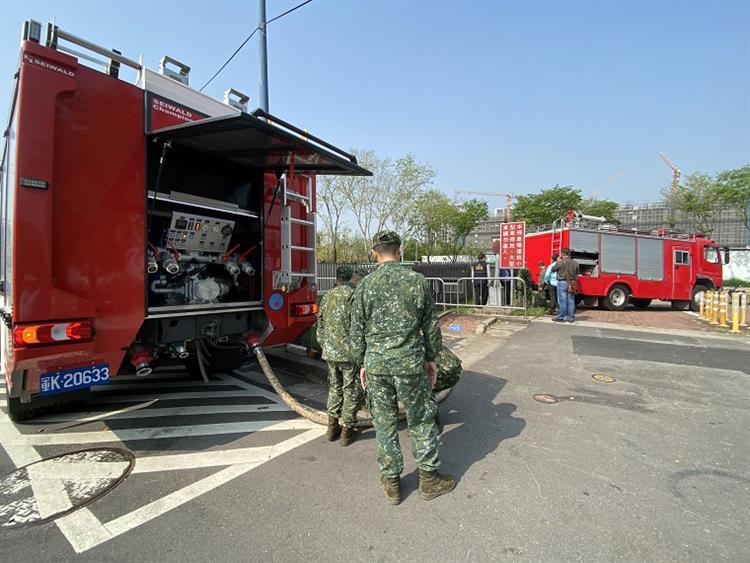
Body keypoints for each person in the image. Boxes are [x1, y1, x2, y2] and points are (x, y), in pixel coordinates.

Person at [350, 231, 456, 505]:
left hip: (377, 365)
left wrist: (362, 362)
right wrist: (431, 358)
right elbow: (430, 325)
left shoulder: (365, 285)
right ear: (400, 249)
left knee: (384, 422)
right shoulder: (416, 281)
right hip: (410, 363)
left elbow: (356, 330)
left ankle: (393, 483)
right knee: (420, 419)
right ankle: (429, 480)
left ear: (375, 252)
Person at [316, 265, 362, 446]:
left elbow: (319, 323)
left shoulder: (328, 295)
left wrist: (325, 345)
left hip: (331, 351)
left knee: (335, 388)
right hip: (349, 354)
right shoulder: (355, 295)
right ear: (351, 277)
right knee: (350, 390)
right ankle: (346, 431)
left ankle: (331, 427)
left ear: (337, 278)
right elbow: (361, 325)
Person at [551, 248, 579, 323]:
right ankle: (570, 318)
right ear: (569, 254)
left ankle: (561, 317)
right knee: (571, 300)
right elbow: (577, 273)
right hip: (572, 283)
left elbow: (552, 269)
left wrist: (557, 261)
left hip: (562, 282)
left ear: (562, 254)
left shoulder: (560, 262)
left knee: (563, 301)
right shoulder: (575, 263)